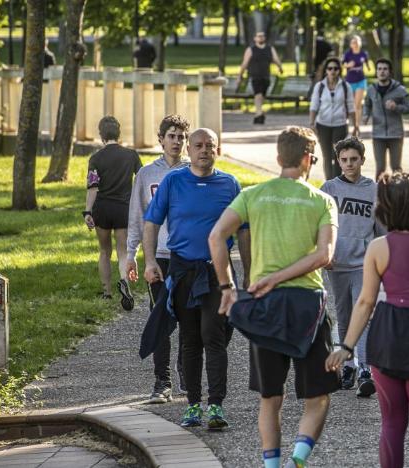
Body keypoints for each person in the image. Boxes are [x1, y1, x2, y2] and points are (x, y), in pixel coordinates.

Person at [209, 126, 340, 468]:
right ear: (310, 159)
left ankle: (271, 466)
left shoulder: (253, 195)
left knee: (270, 397)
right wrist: (283, 276)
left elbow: (216, 236)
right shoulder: (323, 201)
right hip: (308, 306)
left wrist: (227, 287)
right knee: (318, 395)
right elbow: (324, 255)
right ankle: (299, 457)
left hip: (264, 307)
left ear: (279, 158)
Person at [326, 170, 409, 468]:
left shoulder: (378, 248)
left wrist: (346, 347)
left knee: (391, 425)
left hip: (387, 334)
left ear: (384, 208)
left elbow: (364, 302)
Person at [142, 128, 249, 430]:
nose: (204, 150)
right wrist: (150, 261)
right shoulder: (174, 181)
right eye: (198, 145)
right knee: (190, 339)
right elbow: (151, 221)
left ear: (218, 148)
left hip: (217, 271)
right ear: (189, 148)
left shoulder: (229, 184)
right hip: (183, 270)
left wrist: (250, 272)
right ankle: (192, 405)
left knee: (214, 336)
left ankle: (216, 404)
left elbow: (243, 231)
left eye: (209, 145)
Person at [125, 114, 190, 404]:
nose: (176, 142)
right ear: (161, 139)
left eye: (181, 137)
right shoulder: (147, 175)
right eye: (171, 136)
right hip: (159, 257)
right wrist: (132, 255)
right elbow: (137, 216)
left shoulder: (195, 171)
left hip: (189, 256)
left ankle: (188, 373)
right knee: (161, 318)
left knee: (190, 319)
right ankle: (162, 382)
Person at [320, 136, 383, 397]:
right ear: (337, 161)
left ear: (362, 160)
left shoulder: (374, 189)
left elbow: (381, 228)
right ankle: (348, 366)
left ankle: (366, 369)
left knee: (364, 315)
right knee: (345, 317)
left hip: (364, 263)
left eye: (354, 160)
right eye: (344, 160)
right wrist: (324, 252)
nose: (349, 164)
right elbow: (320, 223)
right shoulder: (329, 188)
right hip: (338, 264)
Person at [83, 116, 142, 308]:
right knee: (123, 251)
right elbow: (140, 180)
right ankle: (124, 281)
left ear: (101, 135)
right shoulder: (131, 155)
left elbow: (92, 188)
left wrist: (87, 212)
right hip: (124, 209)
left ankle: (106, 292)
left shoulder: (96, 158)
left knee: (104, 251)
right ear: (119, 133)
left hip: (103, 209)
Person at [362, 59, 409, 178]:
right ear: (376, 72)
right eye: (379, 69)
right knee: (380, 169)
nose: (382, 72)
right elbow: (367, 103)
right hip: (378, 135)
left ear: (390, 72)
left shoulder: (400, 90)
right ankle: (379, 196)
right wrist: (366, 114)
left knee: (396, 167)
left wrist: (396, 107)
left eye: (385, 69)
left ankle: (399, 194)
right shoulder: (371, 89)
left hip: (395, 134)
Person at [308, 58, 357, 180]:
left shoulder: (345, 86)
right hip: (322, 124)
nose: (333, 71)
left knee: (338, 155)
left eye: (335, 68)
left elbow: (351, 107)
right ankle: (329, 182)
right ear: (326, 71)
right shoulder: (320, 86)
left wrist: (355, 125)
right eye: (330, 68)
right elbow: (314, 106)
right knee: (326, 156)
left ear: (339, 70)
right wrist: (312, 123)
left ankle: (337, 181)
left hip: (340, 125)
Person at [239, 32, 284, 125]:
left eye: (262, 36)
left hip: (266, 76)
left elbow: (275, 59)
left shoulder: (270, 49)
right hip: (255, 76)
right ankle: (259, 113)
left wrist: (280, 67)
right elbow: (245, 63)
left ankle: (257, 114)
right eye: (258, 36)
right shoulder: (251, 49)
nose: (261, 38)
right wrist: (240, 75)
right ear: (255, 38)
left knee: (262, 96)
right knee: (258, 94)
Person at [342, 35, 371, 132]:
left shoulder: (363, 54)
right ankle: (351, 123)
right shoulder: (347, 54)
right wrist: (348, 65)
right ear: (351, 45)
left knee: (357, 104)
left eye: (357, 42)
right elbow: (342, 65)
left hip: (360, 81)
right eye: (353, 42)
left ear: (360, 43)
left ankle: (357, 126)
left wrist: (368, 66)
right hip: (350, 81)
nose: (355, 44)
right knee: (350, 104)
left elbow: (367, 64)